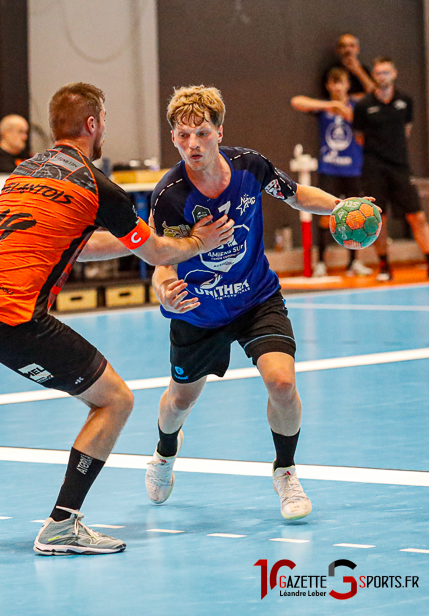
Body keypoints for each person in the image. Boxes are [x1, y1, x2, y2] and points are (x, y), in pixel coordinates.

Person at [0, 82, 235, 555]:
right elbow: (158, 251)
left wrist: (139, 241)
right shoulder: (96, 185)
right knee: (115, 400)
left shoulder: (22, 173)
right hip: (12, 315)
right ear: (93, 125)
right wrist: (200, 242)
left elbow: (71, 243)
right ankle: (62, 524)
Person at [145, 85, 348, 521]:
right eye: (183, 136)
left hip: (256, 298)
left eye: (201, 132)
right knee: (180, 401)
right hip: (199, 310)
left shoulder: (249, 168)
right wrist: (165, 289)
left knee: (282, 384)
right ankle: (164, 453)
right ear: (174, 138)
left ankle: (285, 471)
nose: (192, 144)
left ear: (220, 131)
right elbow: (163, 260)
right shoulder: (171, 196)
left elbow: (295, 194)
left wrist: (340, 207)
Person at [353, 57, 429, 281]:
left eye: (386, 72)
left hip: (400, 166)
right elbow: (358, 137)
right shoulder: (364, 105)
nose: (382, 77)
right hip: (373, 168)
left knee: (416, 215)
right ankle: (384, 265)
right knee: (378, 218)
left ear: (394, 74)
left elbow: (407, 129)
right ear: (374, 77)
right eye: (378, 73)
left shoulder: (405, 101)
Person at [291, 67, 371, 276]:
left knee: (356, 215)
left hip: (353, 169)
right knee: (326, 215)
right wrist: (331, 105)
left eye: (341, 82)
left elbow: (370, 112)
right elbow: (297, 102)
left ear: (347, 85)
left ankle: (353, 261)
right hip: (329, 168)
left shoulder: (356, 105)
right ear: (328, 86)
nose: (337, 87)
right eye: (333, 83)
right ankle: (322, 263)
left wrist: (349, 114)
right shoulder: (324, 107)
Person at [325, 34, 375, 100]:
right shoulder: (333, 71)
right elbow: (333, 95)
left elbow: (374, 92)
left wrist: (358, 71)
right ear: (338, 50)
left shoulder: (365, 70)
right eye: (344, 46)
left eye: (352, 46)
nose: (348, 50)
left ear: (357, 49)